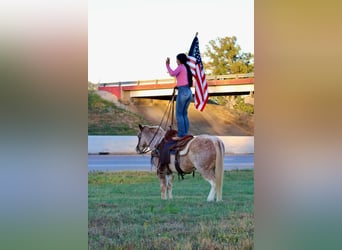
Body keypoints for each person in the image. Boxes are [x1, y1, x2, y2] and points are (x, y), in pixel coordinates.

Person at [165, 53, 193, 137]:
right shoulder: (186, 68)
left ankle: (181, 135)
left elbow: (172, 73)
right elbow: (183, 80)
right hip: (188, 91)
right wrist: (178, 85)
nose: (176, 61)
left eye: (177, 59)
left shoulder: (181, 67)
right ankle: (185, 133)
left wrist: (167, 65)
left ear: (179, 60)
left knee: (179, 114)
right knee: (184, 114)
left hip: (183, 91)